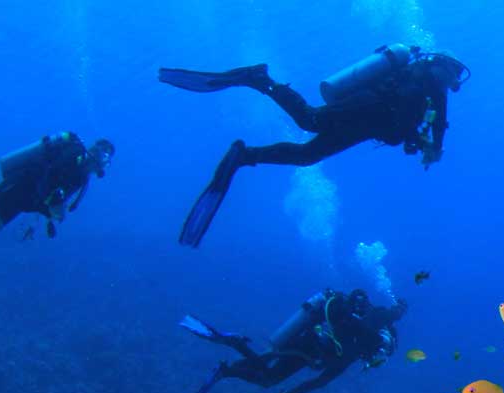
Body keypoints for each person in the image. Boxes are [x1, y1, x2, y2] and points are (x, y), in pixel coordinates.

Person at [159, 44, 470, 247]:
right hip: (368, 107)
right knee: (309, 120)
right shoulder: (430, 82)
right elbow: (435, 120)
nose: (452, 81)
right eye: (452, 73)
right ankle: (259, 78)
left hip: (369, 124)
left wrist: (420, 141)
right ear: (441, 66)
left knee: (308, 156)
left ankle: (246, 155)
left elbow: (419, 122)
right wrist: (432, 146)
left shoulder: (431, 88)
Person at [181, 288, 407, 393]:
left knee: (265, 369)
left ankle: (225, 368)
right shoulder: (362, 341)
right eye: (378, 356)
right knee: (265, 373)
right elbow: (320, 381)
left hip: (308, 346)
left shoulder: (360, 337)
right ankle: (232, 345)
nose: (372, 361)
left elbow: (320, 381)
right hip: (307, 346)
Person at [0, 133, 114, 263]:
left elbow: (59, 203)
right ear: (95, 151)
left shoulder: (81, 179)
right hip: (19, 187)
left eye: (106, 157)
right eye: (102, 153)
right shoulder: (72, 154)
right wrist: (54, 203)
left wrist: (55, 213)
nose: (102, 159)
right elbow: (46, 178)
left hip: (25, 201)